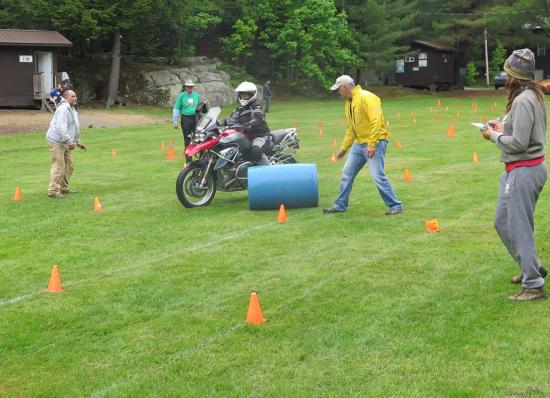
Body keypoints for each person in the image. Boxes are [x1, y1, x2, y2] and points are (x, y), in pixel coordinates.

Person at [482, 48, 547, 301]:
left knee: (519, 228)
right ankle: (531, 267)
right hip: (524, 169)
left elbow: (520, 143)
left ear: (513, 75)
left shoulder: (523, 100)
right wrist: (503, 127)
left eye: (506, 71)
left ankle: (533, 285)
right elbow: (522, 132)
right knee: (503, 222)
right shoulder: (532, 95)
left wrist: (493, 135)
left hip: (524, 170)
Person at [323, 75, 404, 215]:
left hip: (375, 143)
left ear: (346, 87)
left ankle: (396, 205)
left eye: (338, 89)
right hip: (358, 144)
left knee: (377, 176)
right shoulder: (349, 103)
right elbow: (351, 128)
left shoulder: (367, 97)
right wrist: (343, 148)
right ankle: (340, 205)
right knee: (346, 174)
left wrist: (372, 144)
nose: (338, 92)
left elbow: (376, 121)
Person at [46, 90, 86, 199]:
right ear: (66, 97)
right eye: (73, 96)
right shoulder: (63, 109)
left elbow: (73, 127)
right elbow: (61, 127)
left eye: (75, 96)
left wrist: (77, 142)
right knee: (59, 167)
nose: (75, 98)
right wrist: (69, 141)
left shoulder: (72, 108)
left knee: (69, 166)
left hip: (65, 141)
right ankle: (53, 190)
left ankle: (63, 187)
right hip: (57, 141)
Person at [218, 81, 271, 164]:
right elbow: (231, 119)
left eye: (245, 95)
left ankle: (265, 172)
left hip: (259, 135)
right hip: (245, 136)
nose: (242, 97)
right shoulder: (239, 109)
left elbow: (258, 119)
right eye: (241, 95)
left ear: (252, 95)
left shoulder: (256, 107)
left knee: (255, 151)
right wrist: (219, 122)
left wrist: (248, 125)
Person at [172, 79, 206, 162]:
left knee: (199, 137)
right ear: (185, 87)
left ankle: (201, 157)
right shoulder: (181, 96)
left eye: (191, 86)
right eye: (188, 86)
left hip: (195, 118)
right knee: (187, 139)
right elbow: (176, 108)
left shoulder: (196, 95)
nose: (190, 88)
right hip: (185, 119)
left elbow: (198, 108)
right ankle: (188, 160)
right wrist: (175, 121)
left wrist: (199, 108)